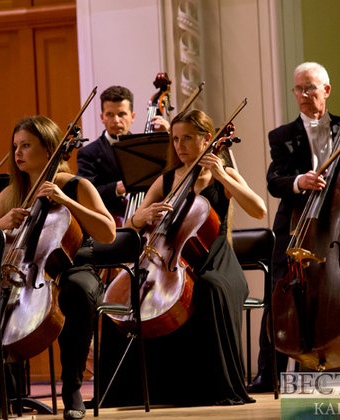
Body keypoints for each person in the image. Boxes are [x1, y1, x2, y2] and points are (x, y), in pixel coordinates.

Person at [103, 109, 266, 406]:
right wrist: (140, 217)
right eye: (175, 139)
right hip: (171, 262)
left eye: (188, 138)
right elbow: (129, 226)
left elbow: (259, 209)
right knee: (129, 298)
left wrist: (221, 175)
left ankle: (218, 388)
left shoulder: (224, 175)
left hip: (217, 261)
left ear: (207, 139)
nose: (180, 146)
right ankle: (140, 390)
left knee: (210, 288)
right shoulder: (166, 179)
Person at [248, 62, 340, 393]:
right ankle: (266, 373)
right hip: (299, 224)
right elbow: (274, 181)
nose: (302, 95)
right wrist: (300, 181)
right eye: (297, 89)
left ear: (326, 90)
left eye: (309, 88)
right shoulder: (282, 136)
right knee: (279, 290)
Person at [0, 116, 116, 420]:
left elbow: (108, 232)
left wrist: (66, 201)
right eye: (15, 146)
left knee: (76, 291)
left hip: (75, 266)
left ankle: (72, 384)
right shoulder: (11, 193)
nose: (17, 153)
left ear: (49, 149)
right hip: (26, 272)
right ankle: (0, 388)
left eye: (26, 145)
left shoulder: (76, 185)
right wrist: (0, 225)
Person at [76, 85, 169, 222]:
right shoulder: (88, 153)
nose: (116, 121)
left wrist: (167, 138)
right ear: (102, 117)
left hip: (150, 220)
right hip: (112, 224)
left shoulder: (147, 147)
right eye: (110, 114)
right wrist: (116, 188)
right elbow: (84, 196)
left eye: (122, 114)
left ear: (132, 117)